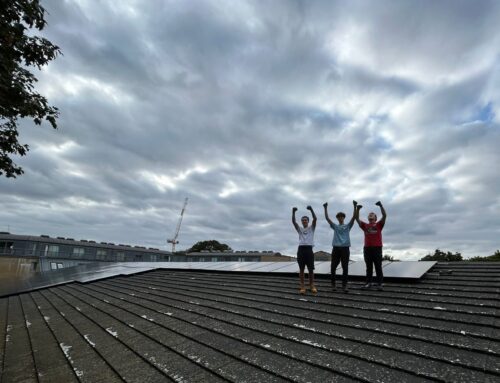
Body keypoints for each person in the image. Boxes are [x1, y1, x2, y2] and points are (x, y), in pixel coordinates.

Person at [324, 200, 359, 292]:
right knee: (333, 267)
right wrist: (325, 207)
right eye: (339, 217)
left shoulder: (348, 226)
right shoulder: (335, 226)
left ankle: (344, 286)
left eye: (342, 217)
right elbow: (327, 218)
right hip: (336, 248)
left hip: (345, 248)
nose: (340, 218)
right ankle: (333, 285)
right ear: (337, 218)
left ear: (344, 218)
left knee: (345, 267)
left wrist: (355, 206)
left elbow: (354, 217)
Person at [355, 201, 387, 290]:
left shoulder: (379, 224)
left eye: (372, 214)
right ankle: (368, 283)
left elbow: (384, 215)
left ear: (375, 218)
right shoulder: (365, 225)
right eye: (369, 214)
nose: (371, 215)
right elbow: (356, 218)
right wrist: (357, 209)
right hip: (367, 248)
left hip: (377, 248)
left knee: (378, 266)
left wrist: (381, 205)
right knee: (368, 267)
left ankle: (380, 284)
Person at [292, 205, 317, 294]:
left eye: (305, 220)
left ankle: (312, 285)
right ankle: (302, 286)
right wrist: (293, 212)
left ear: (308, 221)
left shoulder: (312, 228)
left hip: (309, 250)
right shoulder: (300, 229)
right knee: (301, 269)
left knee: (311, 269)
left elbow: (315, 219)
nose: (304, 221)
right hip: (301, 249)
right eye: (302, 220)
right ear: (302, 222)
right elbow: (294, 222)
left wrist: (311, 209)